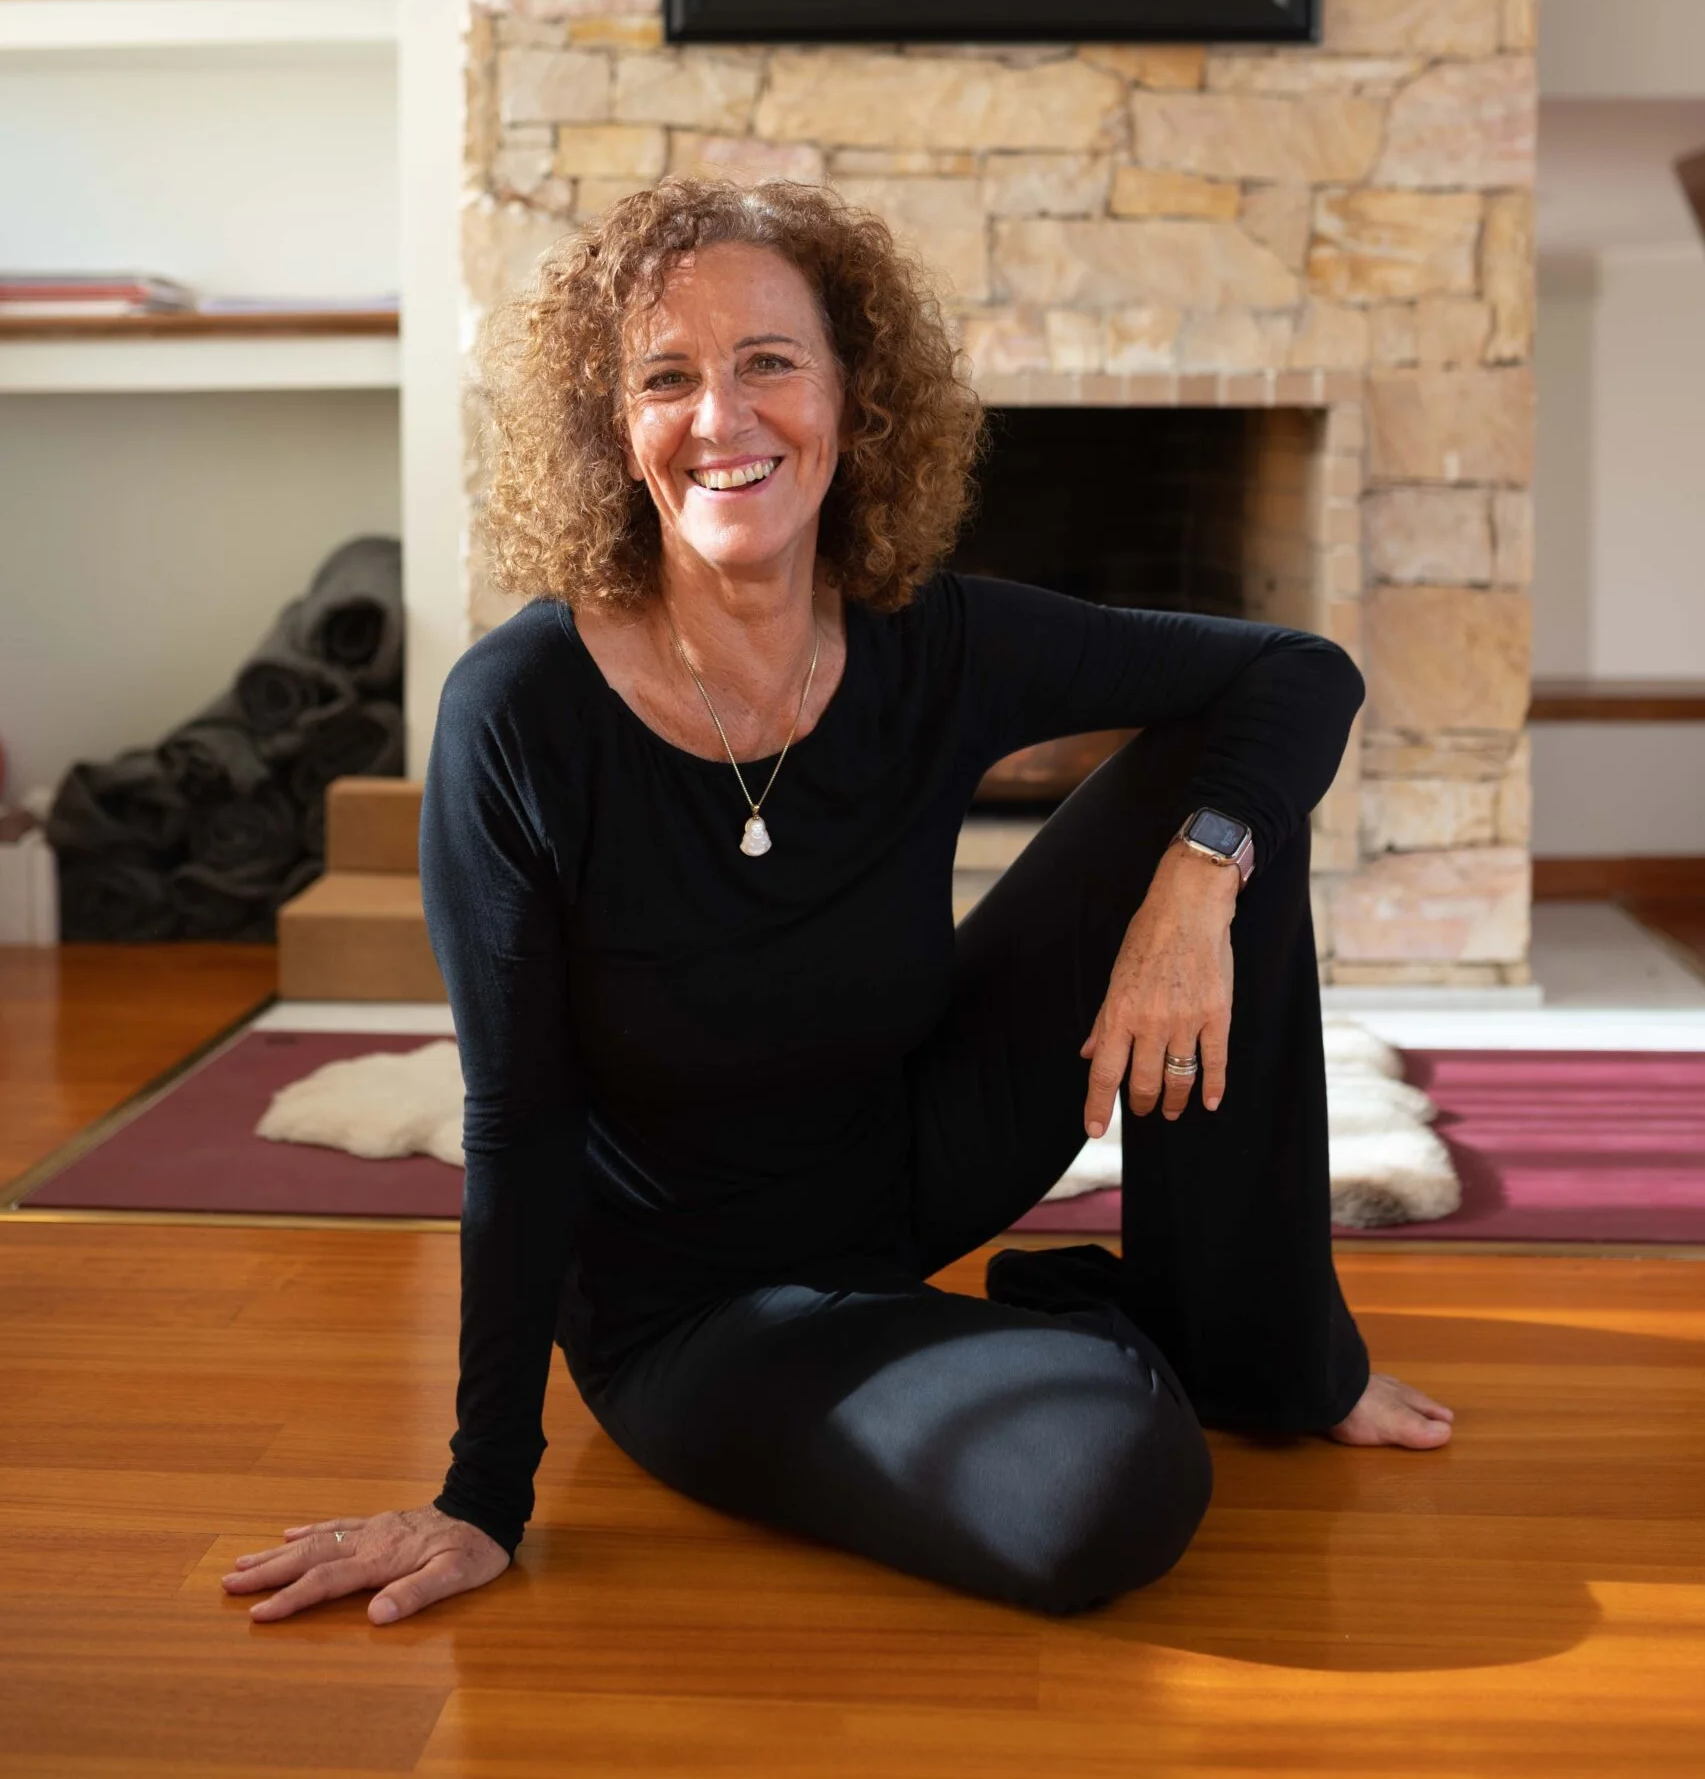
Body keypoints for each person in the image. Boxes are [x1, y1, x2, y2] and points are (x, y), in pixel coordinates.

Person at [222, 179, 1453, 1630]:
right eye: (665, 377)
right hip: (695, 1311)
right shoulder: (520, 713)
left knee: (1226, 796)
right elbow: (517, 1124)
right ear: (611, 429)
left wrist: (1190, 891)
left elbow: (1299, 671)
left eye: (768, 362)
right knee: (1105, 1488)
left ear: (850, 399)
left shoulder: (924, 640)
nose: (721, 417)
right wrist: (481, 1490)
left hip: (905, 1161)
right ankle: (1067, 1340)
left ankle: (1262, 1351)